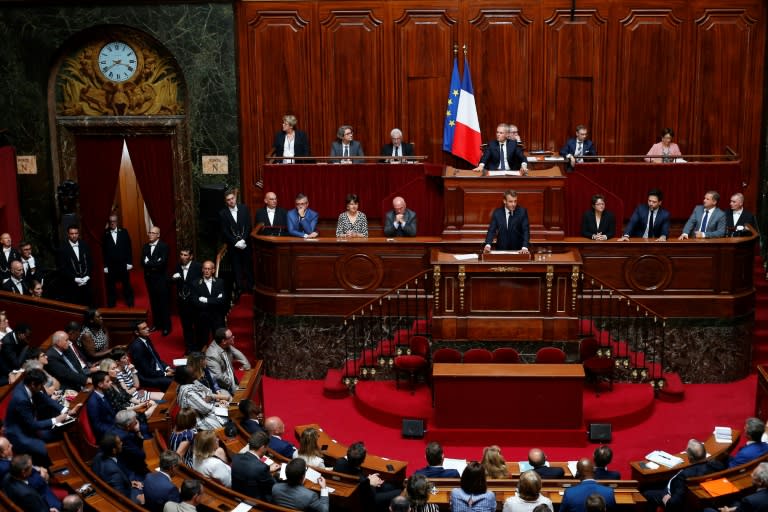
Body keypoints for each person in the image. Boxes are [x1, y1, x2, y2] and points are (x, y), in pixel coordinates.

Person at [5, 369, 80, 467]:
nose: (42, 388)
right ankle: (49, 469)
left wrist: (66, 411)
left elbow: (46, 400)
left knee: (59, 433)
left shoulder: (28, 385)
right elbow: (32, 425)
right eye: (40, 385)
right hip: (18, 433)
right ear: (33, 384)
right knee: (43, 449)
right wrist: (56, 420)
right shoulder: (21, 399)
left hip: (27, 423)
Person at [643, 439, 724, 512]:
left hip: (676, 498)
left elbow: (674, 504)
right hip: (705, 498)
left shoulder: (685, 475)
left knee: (647, 492)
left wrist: (667, 500)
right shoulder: (717, 466)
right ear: (705, 453)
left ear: (690, 457)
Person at [333, 441, 400, 511]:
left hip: (357, 490)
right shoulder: (361, 479)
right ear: (362, 461)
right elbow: (371, 496)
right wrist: (372, 483)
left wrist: (369, 479)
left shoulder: (339, 462)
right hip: (366, 499)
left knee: (390, 486)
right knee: (398, 491)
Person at [0, 436, 62, 511]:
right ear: (2, 453)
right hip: (42, 496)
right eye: (9, 446)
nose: (12, 445)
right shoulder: (5, 470)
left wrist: (38, 469)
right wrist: (42, 477)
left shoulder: (10, 472)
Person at [91, 434, 144, 504]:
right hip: (126, 498)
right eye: (119, 443)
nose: (122, 443)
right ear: (114, 450)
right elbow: (121, 499)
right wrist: (138, 498)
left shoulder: (97, 457)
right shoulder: (114, 473)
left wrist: (129, 483)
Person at [219, 188, 253, 293]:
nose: (231, 201)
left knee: (248, 268)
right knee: (236, 269)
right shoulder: (222, 213)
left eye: (232, 198)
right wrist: (235, 242)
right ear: (226, 201)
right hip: (233, 247)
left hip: (246, 244)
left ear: (235, 198)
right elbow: (224, 231)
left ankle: (251, 289)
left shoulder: (244, 208)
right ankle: (239, 291)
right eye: (228, 200)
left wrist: (243, 240)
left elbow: (248, 226)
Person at [175, 365, 226, 430]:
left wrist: (211, 399)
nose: (196, 372)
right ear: (187, 378)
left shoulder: (193, 382)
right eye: (193, 373)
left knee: (230, 409)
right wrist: (218, 405)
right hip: (201, 422)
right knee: (231, 415)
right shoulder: (188, 393)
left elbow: (208, 392)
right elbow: (205, 409)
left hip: (207, 411)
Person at [172, 247, 203, 353]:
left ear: (191, 256)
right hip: (183, 302)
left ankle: (199, 347)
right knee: (186, 326)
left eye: (185, 255)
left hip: (195, 302)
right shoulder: (177, 266)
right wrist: (174, 279)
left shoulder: (198, 266)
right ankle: (189, 348)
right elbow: (172, 281)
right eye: (181, 254)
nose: (183, 257)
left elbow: (202, 283)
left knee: (198, 325)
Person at [231, 431, 279, 500]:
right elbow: (273, 486)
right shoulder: (261, 468)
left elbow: (249, 470)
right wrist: (275, 475)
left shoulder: (236, 457)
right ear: (262, 447)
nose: (266, 450)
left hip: (238, 495)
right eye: (266, 447)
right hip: (256, 500)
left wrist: (267, 470)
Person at [142, 226, 171, 335]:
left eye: (153, 233)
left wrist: (149, 263)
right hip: (149, 279)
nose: (150, 235)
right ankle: (157, 324)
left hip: (161, 280)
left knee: (163, 303)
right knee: (154, 302)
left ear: (158, 235)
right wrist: (154, 263)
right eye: (149, 232)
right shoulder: (145, 246)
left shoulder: (164, 246)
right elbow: (142, 263)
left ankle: (166, 327)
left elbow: (162, 264)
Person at [128, 320, 174, 391]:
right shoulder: (137, 347)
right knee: (172, 380)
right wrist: (164, 374)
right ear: (137, 332)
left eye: (147, 326)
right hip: (147, 377)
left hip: (155, 370)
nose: (148, 329)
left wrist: (167, 368)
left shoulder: (146, 338)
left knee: (180, 371)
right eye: (144, 328)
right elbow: (147, 371)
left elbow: (156, 358)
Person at [101, 214, 135, 307]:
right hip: (110, 265)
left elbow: (129, 247)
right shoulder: (104, 234)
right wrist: (105, 266)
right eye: (111, 221)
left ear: (117, 221)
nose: (112, 223)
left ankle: (130, 301)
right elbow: (103, 251)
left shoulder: (124, 232)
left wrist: (129, 262)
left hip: (123, 263)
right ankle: (111, 303)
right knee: (111, 285)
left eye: (114, 221)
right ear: (109, 222)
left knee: (126, 284)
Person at [206, 327, 251, 395]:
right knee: (232, 399)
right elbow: (218, 377)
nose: (233, 337)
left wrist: (246, 366)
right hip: (220, 387)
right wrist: (233, 385)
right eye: (231, 337)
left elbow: (241, 357)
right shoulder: (212, 355)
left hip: (229, 382)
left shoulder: (225, 345)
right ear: (224, 341)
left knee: (246, 392)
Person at [192, 260, 227, 346]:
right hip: (202, 316)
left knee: (220, 342)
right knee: (202, 342)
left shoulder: (220, 282)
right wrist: (215, 300)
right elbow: (195, 302)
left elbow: (222, 300)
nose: (207, 271)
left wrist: (206, 300)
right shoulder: (195, 283)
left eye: (209, 269)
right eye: (205, 268)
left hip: (217, 316)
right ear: (202, 270)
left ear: (213, 270)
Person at [56, 225, 93, 306]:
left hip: (86, 283)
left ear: (78, 234)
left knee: (88, 305)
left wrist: (87, 276)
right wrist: (75, 278)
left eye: (76, 233)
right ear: (68, 234)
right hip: (72, 285)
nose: (74, 235)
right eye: (72, 233)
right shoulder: (62, 248)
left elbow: (90, 262)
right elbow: (62, 268)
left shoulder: (84, 245)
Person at [110, 409, 149, 477]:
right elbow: (141, 455)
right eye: (135, 421)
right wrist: (138, 431)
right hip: (128, 469)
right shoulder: (125, 437)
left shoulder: (114, 427)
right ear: (128, 425)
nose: (137, 422)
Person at [86, 370, 118, 442]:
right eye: (107, 381)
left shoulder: (104, 392)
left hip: (114, 424)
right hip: (107, 433)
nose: (111, 382)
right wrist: (117, 428)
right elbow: (98, 426)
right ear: (100, 384)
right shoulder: (93, 402)